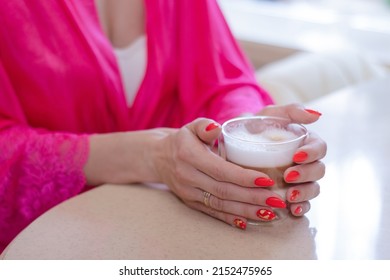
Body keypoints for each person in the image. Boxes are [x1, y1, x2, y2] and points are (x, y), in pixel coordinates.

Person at [0, 0, 326, 253]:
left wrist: (246, 131)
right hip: (45, 247)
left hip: (162, 236)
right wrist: (150, 156)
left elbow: (223, 79)